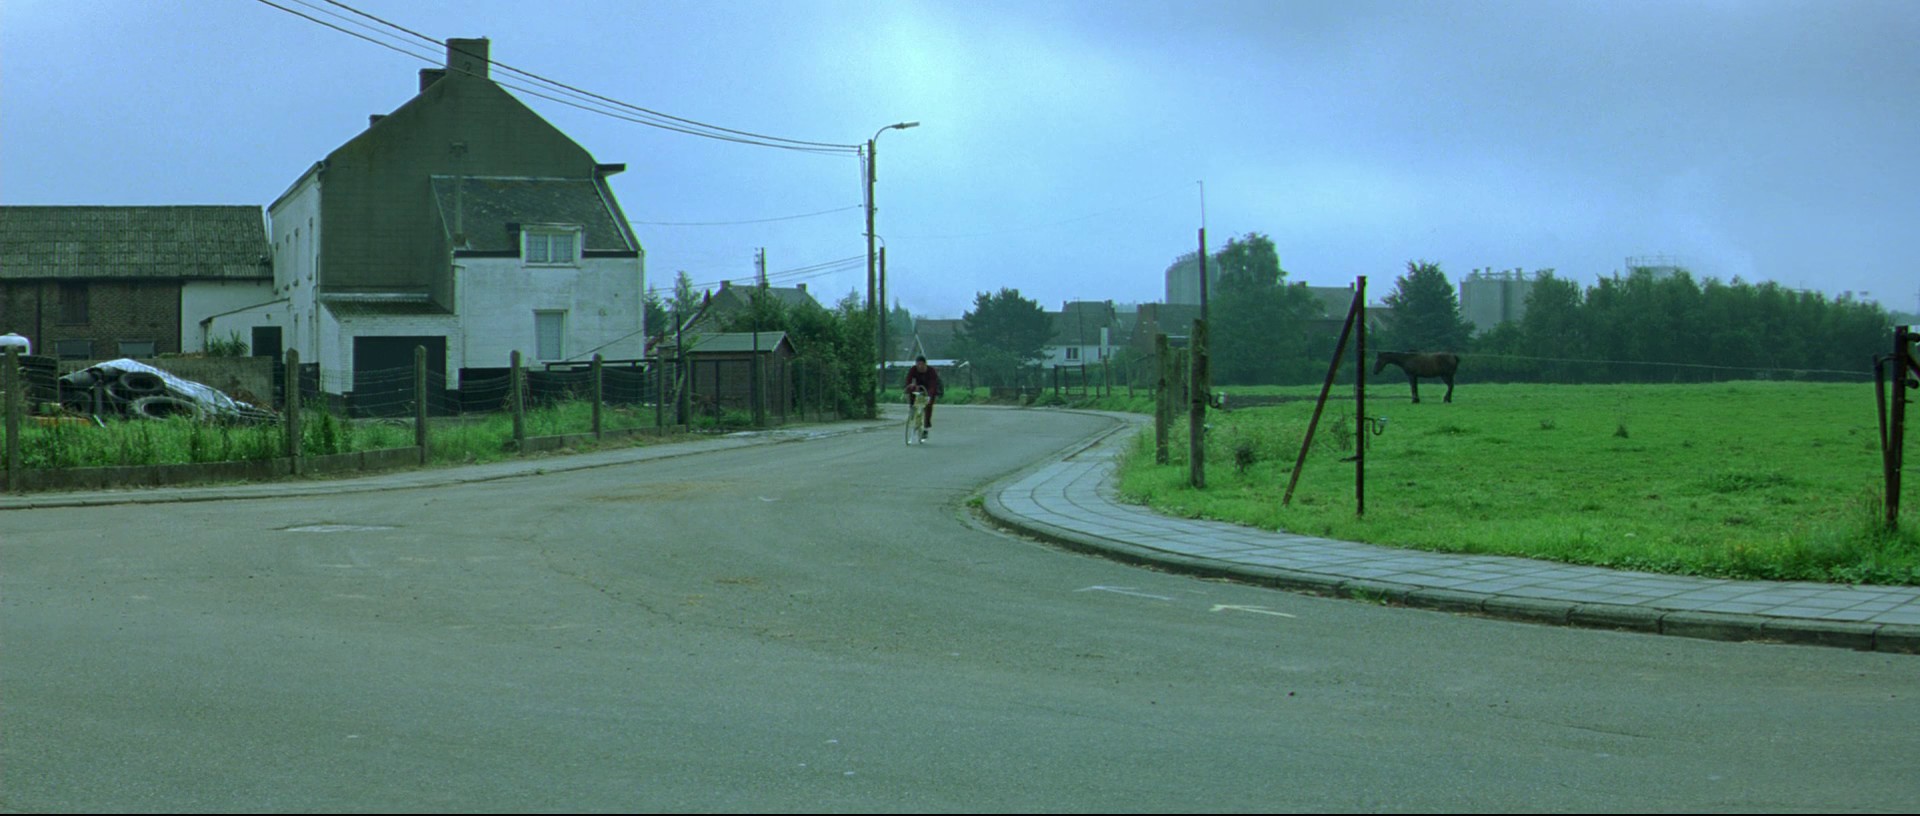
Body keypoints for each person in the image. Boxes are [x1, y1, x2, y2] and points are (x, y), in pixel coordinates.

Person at [903, 356, 943, 440]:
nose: (920, 366)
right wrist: (910, 386)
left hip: (929, 389)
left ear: (925, 364)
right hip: (918, 388)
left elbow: (933, 385)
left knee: (928, 406)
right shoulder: (913, 369)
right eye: (918, 364)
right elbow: (908, 380)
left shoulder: (931, 371)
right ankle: (912, 407)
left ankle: (926, 428)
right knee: (911, 392)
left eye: (921, 364)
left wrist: (929, 396)